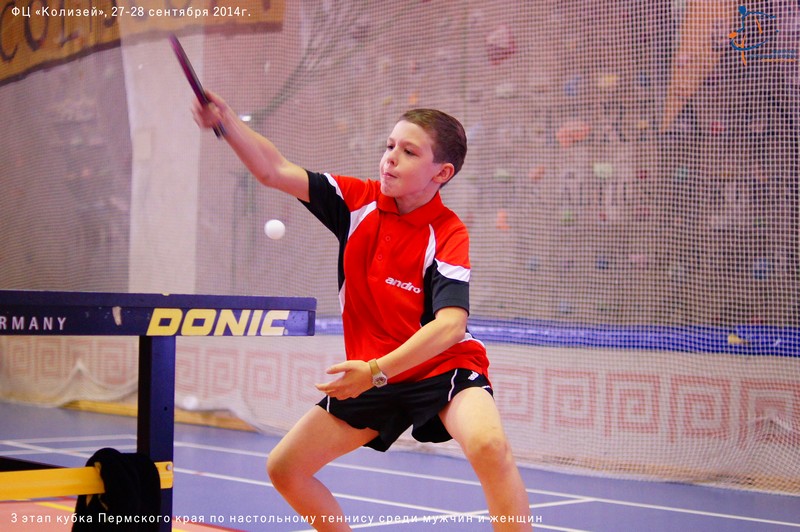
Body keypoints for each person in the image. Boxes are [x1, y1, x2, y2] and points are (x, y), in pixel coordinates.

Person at [193, 93, 532, 531]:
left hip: (438, 367)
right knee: (285, 468)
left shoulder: (447, 232)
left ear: (442, 173)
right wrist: (225, 122)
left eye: (409, 152)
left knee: (489, 446)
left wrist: (375, 371)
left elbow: (451, 325)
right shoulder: (356, 202)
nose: (391, 158)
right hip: (374, 373)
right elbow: (273, 170)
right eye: (390, 146)